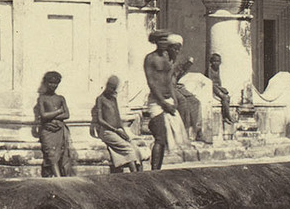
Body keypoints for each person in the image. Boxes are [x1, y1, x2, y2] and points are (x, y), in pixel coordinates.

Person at [143, 33, 181, 170]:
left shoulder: (168, 57)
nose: (164, 43)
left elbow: (169, 80)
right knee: (160, 137)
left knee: (167, 139)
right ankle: (154, 170)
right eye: (161, 40)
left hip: (168, 99)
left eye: (166, 40)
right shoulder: (150, 58)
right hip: (156, 101)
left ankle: (158, 169)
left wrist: (174, 99)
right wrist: (163, 103)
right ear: (156, 42)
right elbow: (151, 83)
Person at [90, 74, 141, 172]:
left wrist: (124, 132)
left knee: (136, 149)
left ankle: (141, 175)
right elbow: (100, 120)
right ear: (107, 85)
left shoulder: (113, 99)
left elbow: (118, 118)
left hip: (118, 131)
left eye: (114, 89)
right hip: (107, 132)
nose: (113, 91)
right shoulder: (100, 99)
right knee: (128, 149)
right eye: (111, 88)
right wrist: (116, 131)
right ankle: (135, 175)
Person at [32, 71, 75, 176]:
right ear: (46, 83)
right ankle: (58, 178)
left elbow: (67, 115)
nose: (53, 85)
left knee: (61, 154)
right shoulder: (42, 98)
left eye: (55, 83)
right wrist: (58, 112)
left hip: (59, 131)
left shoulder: (60, 98)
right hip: (48, 131)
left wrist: (52, 116)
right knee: (51, 154)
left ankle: (59, 177)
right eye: (50, 83)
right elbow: (43, 115)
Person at [175, 56, 213, 143]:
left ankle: (198, 132)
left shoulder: (181, 70)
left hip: (178, 87)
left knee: (196, 102)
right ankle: (186, 133)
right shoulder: (174, 66)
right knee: (184, 104)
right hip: (173, 88)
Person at [207, 51, 234, 133]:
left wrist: (222, 88)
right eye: (215, 61)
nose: (217, 63)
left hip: (217, 87)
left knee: (227, 97)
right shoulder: (210, 70)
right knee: (224, 97)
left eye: (218, 61)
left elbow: (219, 81)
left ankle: (225, 116)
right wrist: (220, 89)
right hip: (212, 87)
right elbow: (210, 82)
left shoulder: (217, 70)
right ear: (211, 62)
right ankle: (228, 116)